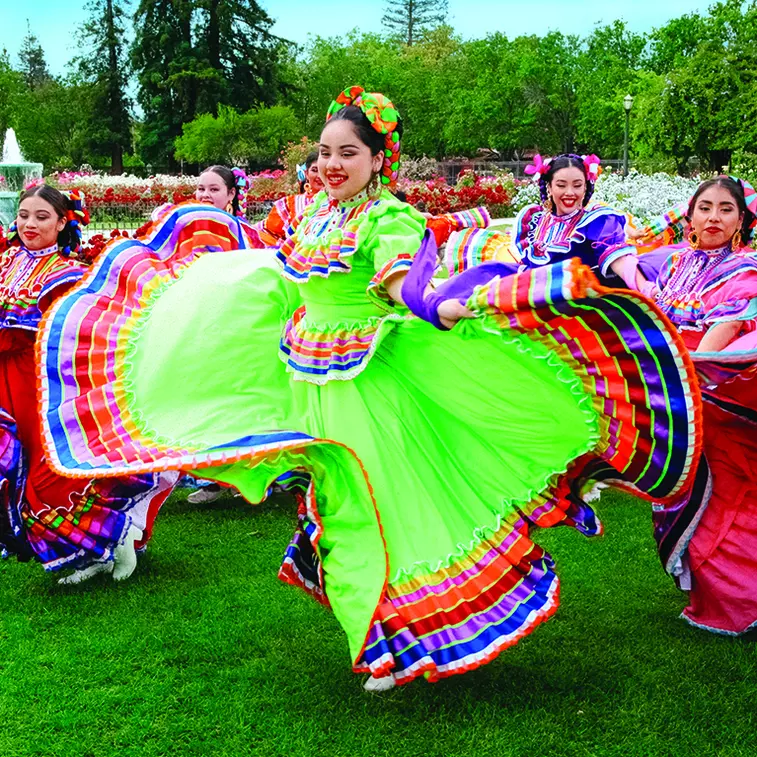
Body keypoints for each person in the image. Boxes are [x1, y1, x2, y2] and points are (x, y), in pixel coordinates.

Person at [38, 87, 700, 687]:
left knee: (377, 506)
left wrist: (434, 304)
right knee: (342, 502)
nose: (331, 163)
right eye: (324, 151)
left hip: (369, 378)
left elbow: (397, 283)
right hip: (310, 371)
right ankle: (385, 630)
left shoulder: (387, 219)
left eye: (347, 152)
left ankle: (393, 636)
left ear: (379, 158)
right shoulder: (317, 215)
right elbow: (282, 271)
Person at [0, 185, 176, 584]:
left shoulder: (68, 274)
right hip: (6, 383)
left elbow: (49, 336)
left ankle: (114, 540)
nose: (29, 224)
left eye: (42, 216)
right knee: (18, 468)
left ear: (63, 222)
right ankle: (89, 551)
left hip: (43, 384)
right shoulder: (6, 260)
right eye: (24, 214)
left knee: (54, 472)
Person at [647, 176, 757, 635]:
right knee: (677, 495)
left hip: (709, 396)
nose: (713, 217)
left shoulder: (744, 269)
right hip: (670, 393)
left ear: (741, 221)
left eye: (725, 209)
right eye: (705, 207)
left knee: (722, 496)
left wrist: (683, 378)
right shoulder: (675, 265)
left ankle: (741, 603)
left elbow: (721, 339)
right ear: (689, 215)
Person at [444, 154, 656, 294]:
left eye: (577, 185)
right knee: (483, 274)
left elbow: (618, 258)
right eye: (561, 185)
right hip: (529, 287)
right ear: (549, 187)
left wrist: (645, 287)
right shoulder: (534, 218)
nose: (570, 193)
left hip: (568, 297)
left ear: (586, 188)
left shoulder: (596, 220)